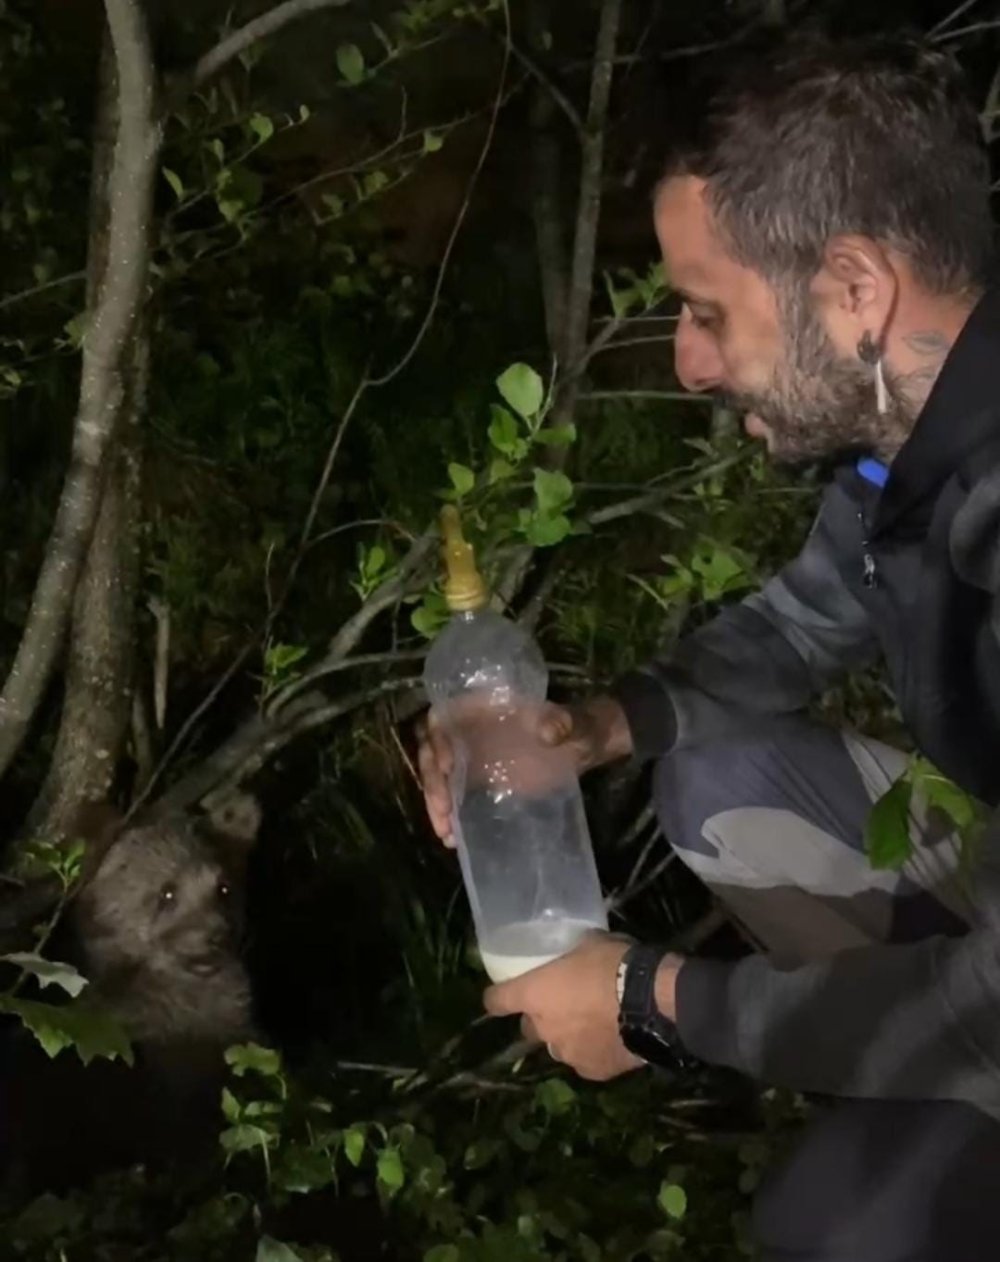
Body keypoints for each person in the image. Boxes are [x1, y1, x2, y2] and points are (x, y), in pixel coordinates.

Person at [418, 30, 1000, 1262]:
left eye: (705, 310)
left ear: (852, 289)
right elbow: (798, 623)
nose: (683, 360)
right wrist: (593, 729)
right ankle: (910, 1062)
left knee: (833, 1229)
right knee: (713, 769)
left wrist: (650, 1000)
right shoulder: (911, 440)